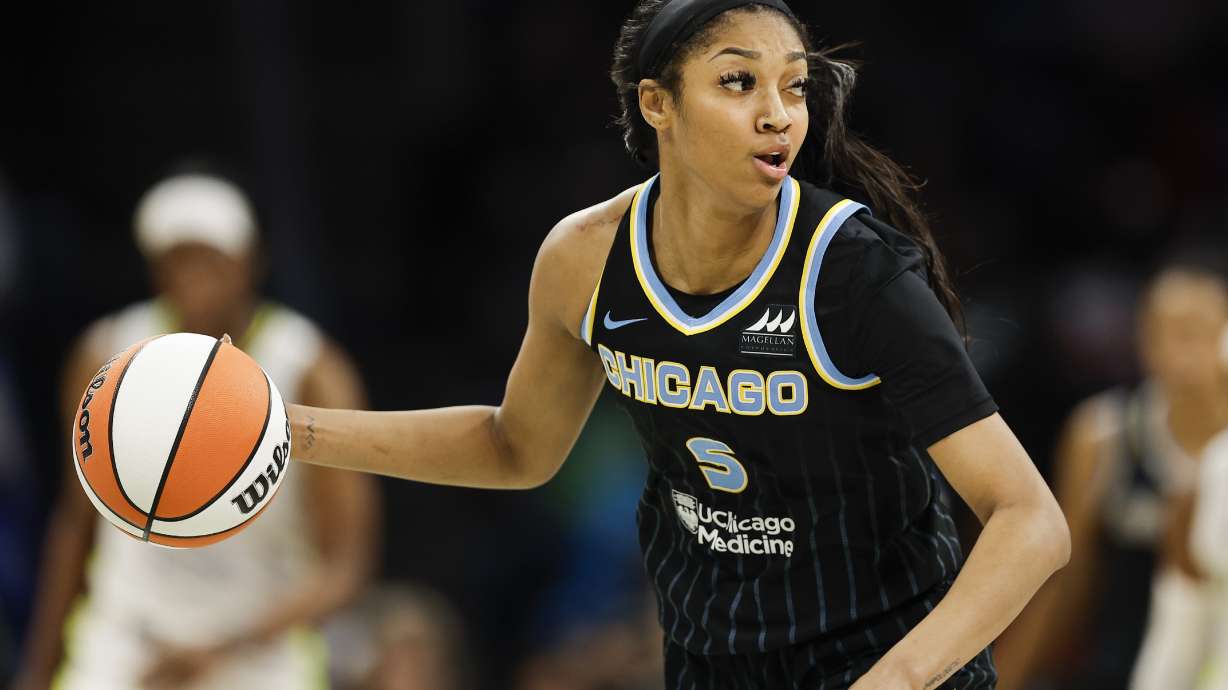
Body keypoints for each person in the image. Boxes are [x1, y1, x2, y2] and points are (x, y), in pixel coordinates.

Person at [291, 1, 1071, 687]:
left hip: (884, 654)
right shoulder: (586, 258)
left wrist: (899, 678)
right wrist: (290, 433)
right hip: (711, 661)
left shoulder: (853, 269)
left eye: (794, 86)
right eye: (739, 83)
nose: (779, 114)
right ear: (657, 103)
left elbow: (1030, 519)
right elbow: (513, 448)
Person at [12, 172, 379, 690]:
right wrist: (38, 667)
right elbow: (76, 523)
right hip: (126, 642)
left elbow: (345, 563)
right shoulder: (107, 355)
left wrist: (221, 649)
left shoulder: (309, 367)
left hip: (258, 648)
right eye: (176, 257)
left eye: (209, 256)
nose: (192, 273)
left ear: (250, 260)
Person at [994, 263, 1228, 690]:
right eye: (1164, 334)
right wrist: (1006, 678)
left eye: (1195, 333)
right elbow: (1066, 578)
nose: (1179, 353)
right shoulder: (1104, 435)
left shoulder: (1221, 462)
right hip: (1116, 669)